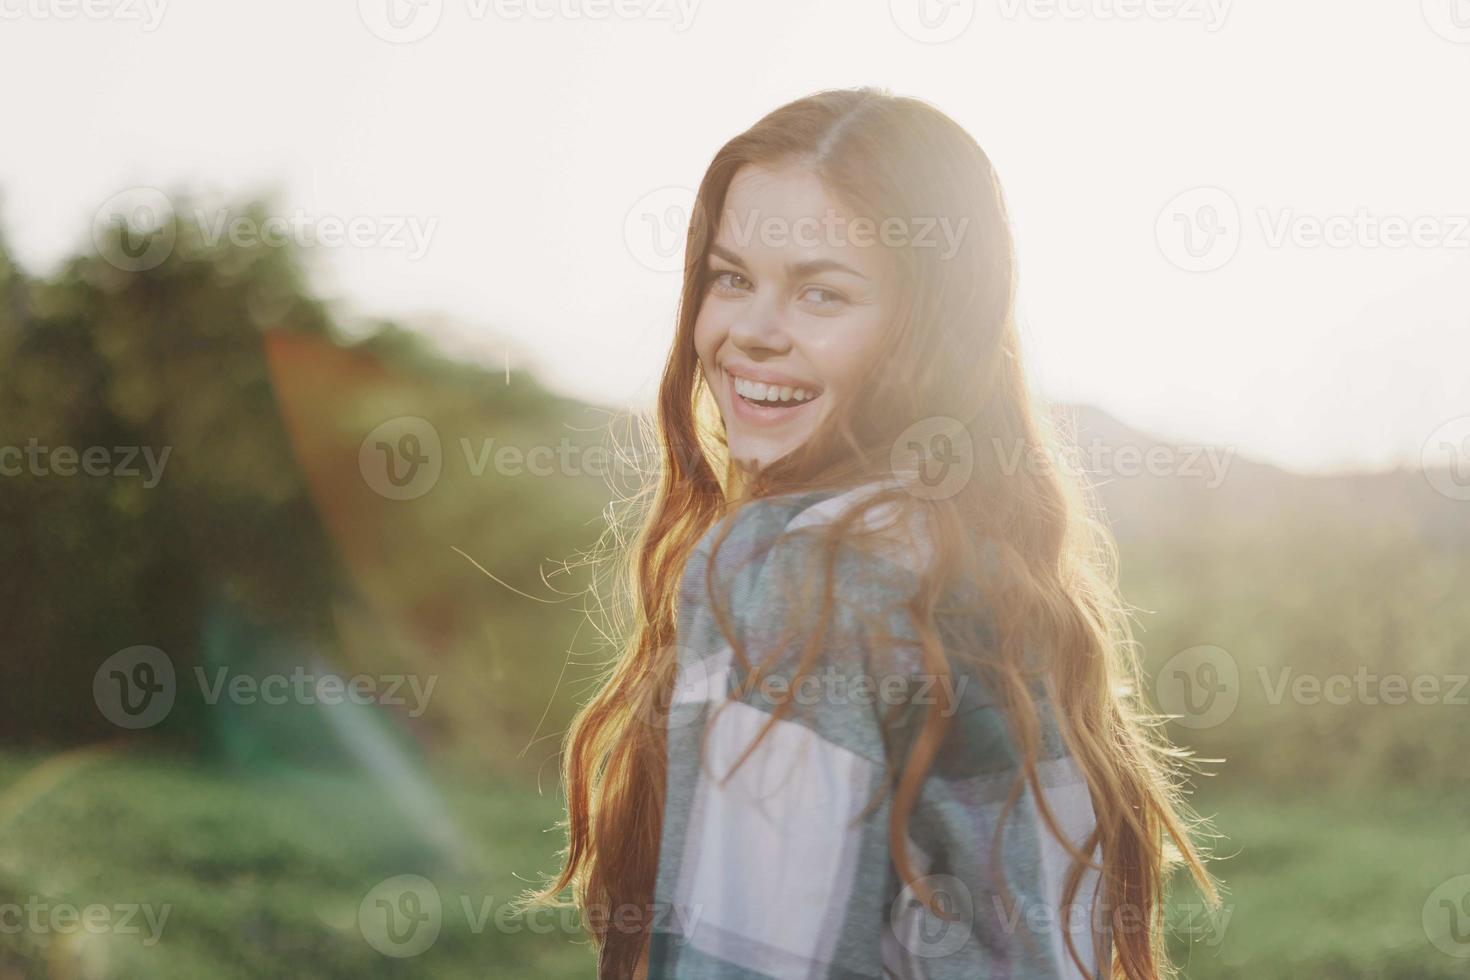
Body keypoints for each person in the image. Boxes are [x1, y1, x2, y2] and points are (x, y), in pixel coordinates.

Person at [529, 86, 1219, 979]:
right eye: (730, 277)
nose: (751, 333)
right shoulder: (986, 559)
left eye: (822, 292)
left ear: (926, 332)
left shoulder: (804, 567)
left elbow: (754, 962)